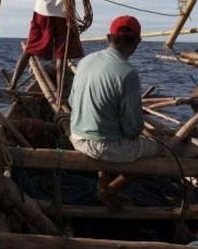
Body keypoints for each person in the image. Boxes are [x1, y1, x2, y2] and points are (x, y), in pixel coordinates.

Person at [68, 15, 178, 209]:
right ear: (137, 43)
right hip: (102, 147)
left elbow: (71, 101)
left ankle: (103, 181)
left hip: (75, 136)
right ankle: (108, 191)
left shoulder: (85, 61)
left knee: (111, 135)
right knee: (159, 150)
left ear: (108, 38)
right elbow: (133, 129)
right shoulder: (127, 73)